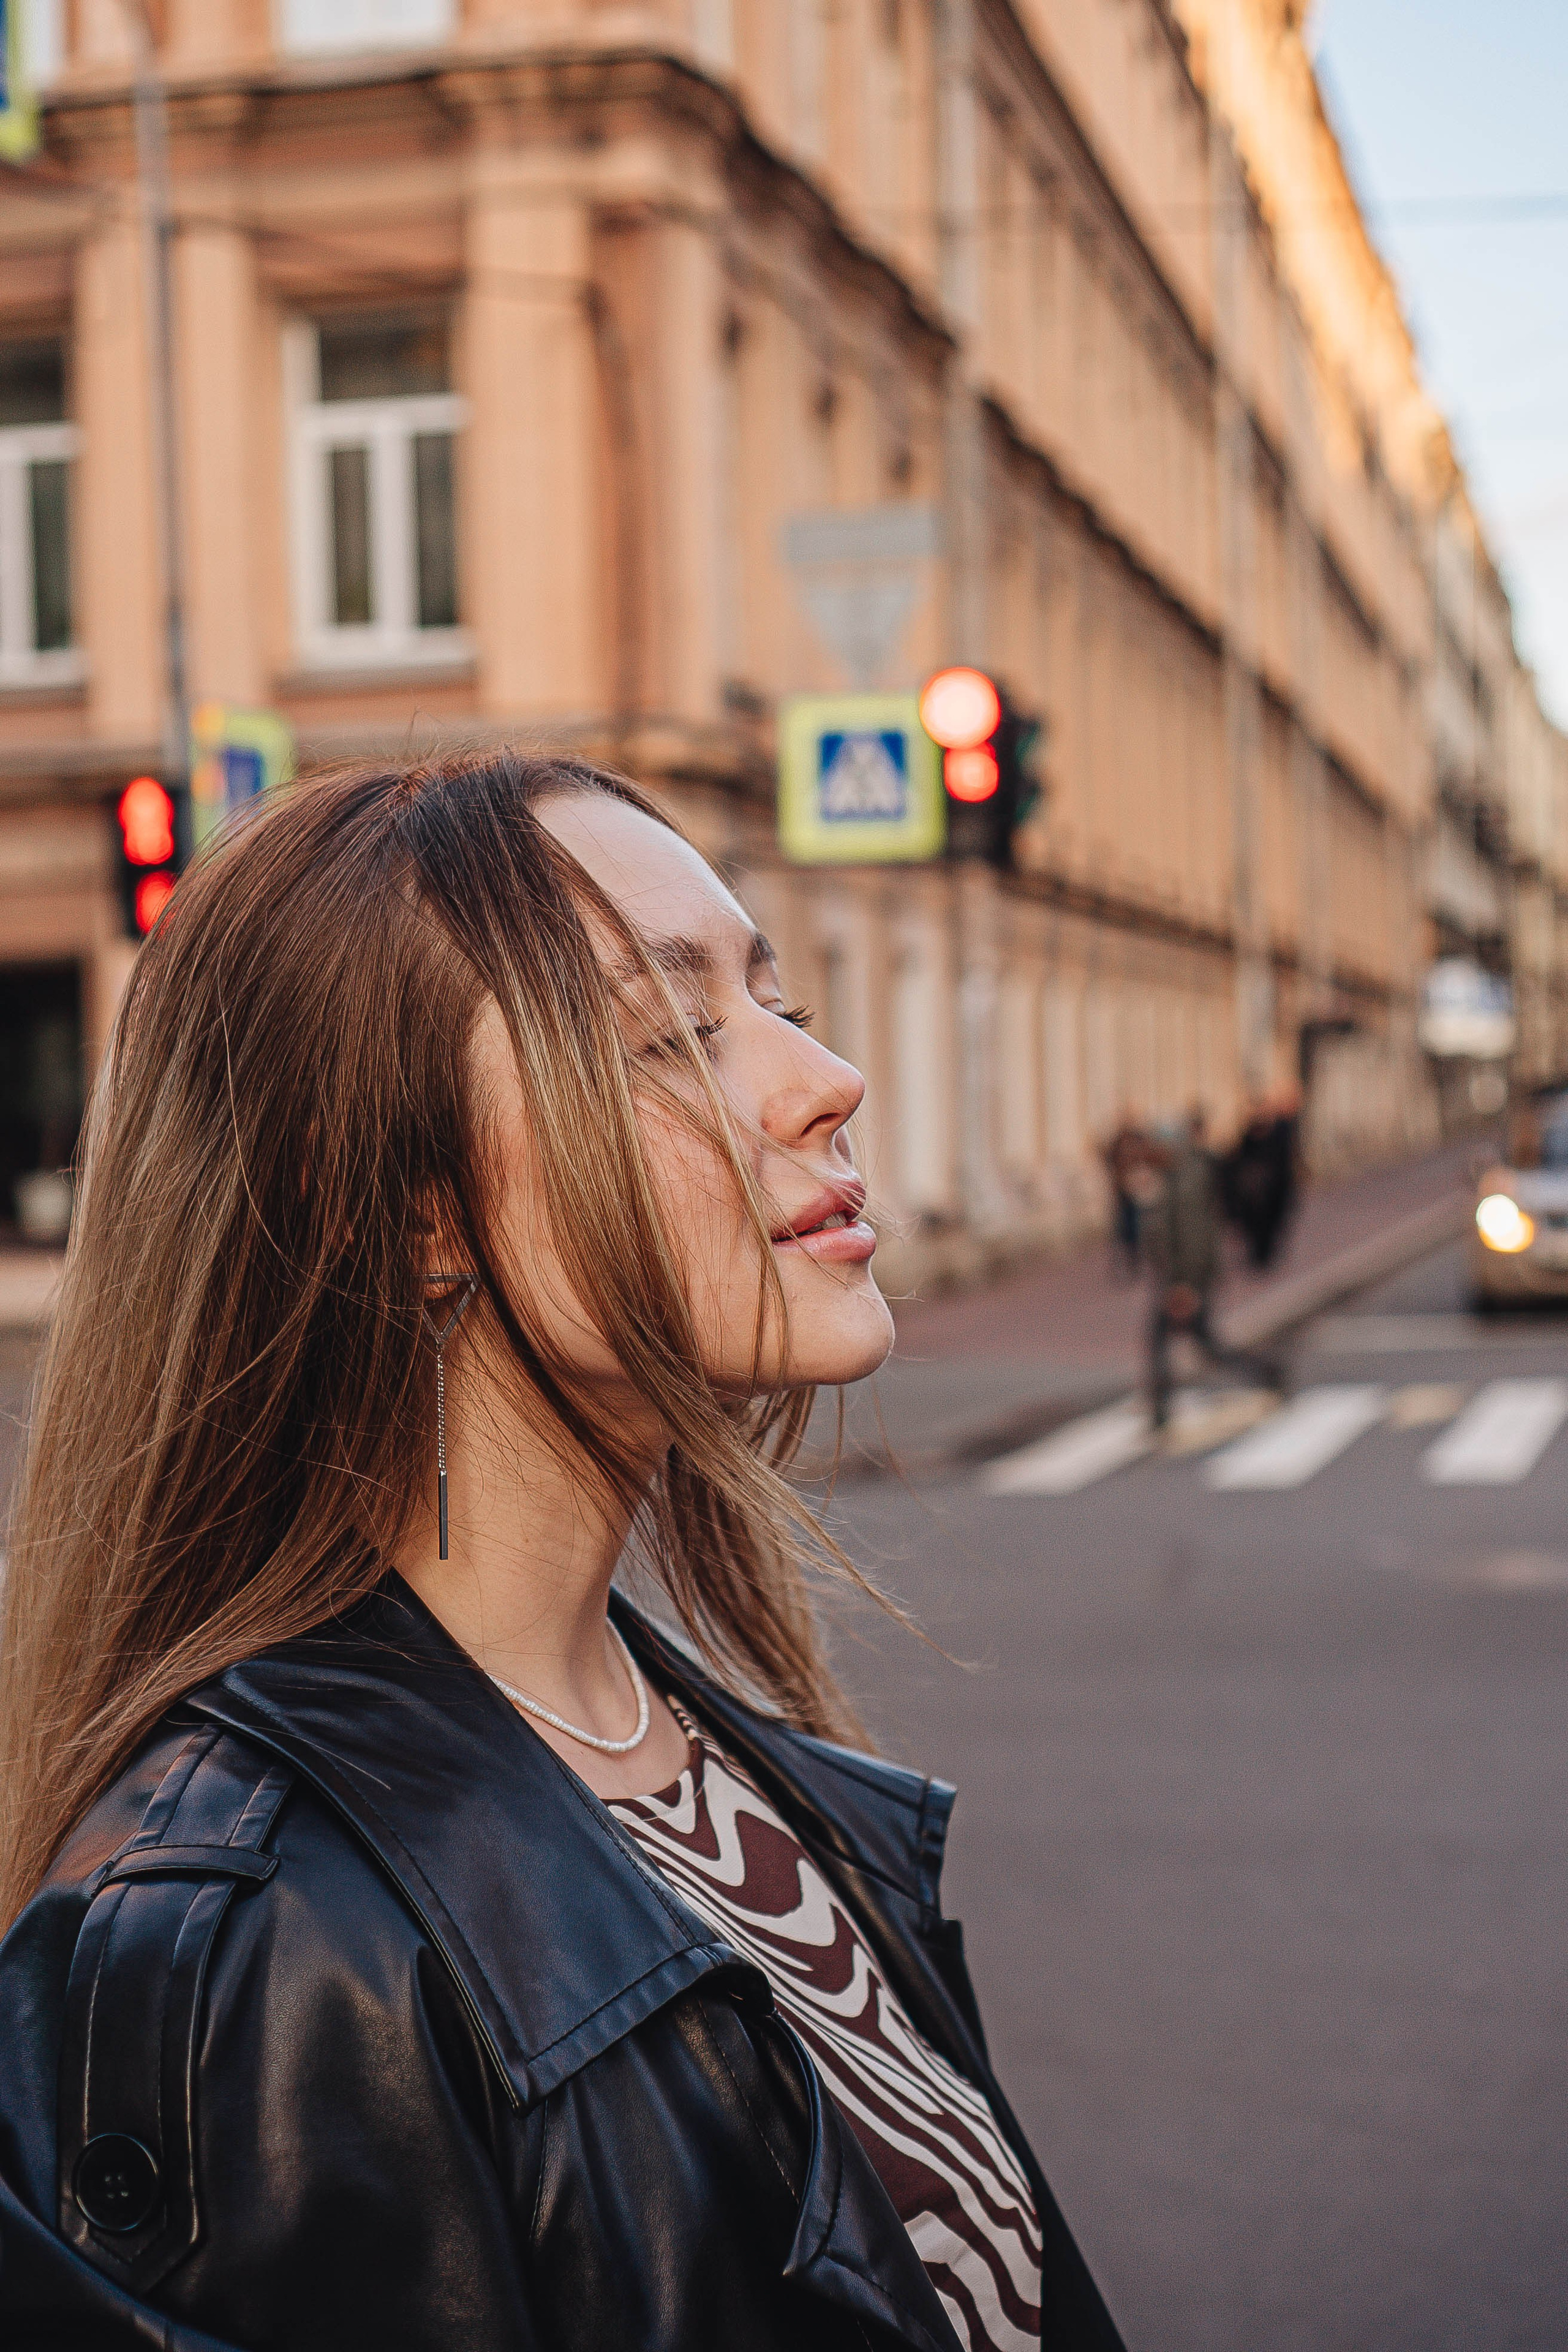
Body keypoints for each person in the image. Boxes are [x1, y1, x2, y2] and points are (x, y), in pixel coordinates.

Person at [0, 753, 1125, 2352]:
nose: (824, 1078)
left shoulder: (704, 1759)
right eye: (675, 1037)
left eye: (775, 998)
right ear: (412, 1210)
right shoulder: (262, 1953)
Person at [1147, 1106, 1281, 1430]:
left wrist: (1185, 1284)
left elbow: (1193, 1237)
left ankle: (1161, 1409)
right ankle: (1264, 1373)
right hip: (1184, 1277)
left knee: (1166, 1340)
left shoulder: (1184, 1180)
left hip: (1186, 1279)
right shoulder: (1177, 1175)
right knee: (1204, 1343)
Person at [1222, 1096, 1300, 1270]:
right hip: (1252, 1198)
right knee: (1256, 1230)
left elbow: (1283, 1172)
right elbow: (1235, 1169)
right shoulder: (1247, 1143)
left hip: (1270, 1196)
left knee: (1268, 1229)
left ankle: (1264, 1256)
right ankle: (1260, 1257)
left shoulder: (1276, 1141)